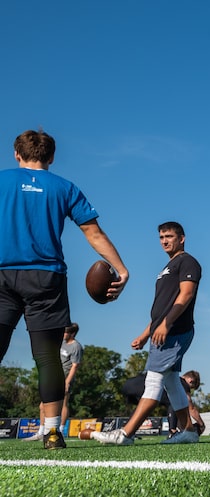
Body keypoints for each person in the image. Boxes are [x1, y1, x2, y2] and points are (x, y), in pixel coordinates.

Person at [0, 130, 128, 450]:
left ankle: (50, 429)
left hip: (3, 275)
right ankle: (53, 432)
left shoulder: (2, 181)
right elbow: (93, 232)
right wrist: (121, 269)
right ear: (51, 157)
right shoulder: (65, 187)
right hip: (47, 279)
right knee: (47, 359)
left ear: (17, 154)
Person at [93, 221, 201, 446]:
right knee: (171, 382)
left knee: (153, 383)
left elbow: (186, 295)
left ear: (182, 238)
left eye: (169, 236)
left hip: (174, 331)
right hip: (163, 331)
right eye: (161, 237)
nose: (164, 241)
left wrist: (166, 324)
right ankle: (189, 431)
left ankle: (125, 434)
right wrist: (145, 334)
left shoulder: (187, 261)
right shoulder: (165, 268)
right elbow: (161, 309)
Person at [24, 322, 84, 441]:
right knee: (43, 405)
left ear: (72, 333)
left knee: (63, 404)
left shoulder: (76, 347)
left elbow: (75, 365)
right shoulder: (61, 342)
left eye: (66, 332)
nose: (63, 334)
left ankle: (59, 430)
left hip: (66, 376)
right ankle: (41, 431)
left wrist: (67, 382)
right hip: (54, 375)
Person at [121, 369, 206, 437]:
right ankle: (172, 432)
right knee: (174, 400)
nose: (189, 390)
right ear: (190, 380)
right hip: (141, 386)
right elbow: (191, 407)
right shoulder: (181, 383)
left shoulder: (171, 378)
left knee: (143, 408)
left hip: (128, 385)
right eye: (191, 388)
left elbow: (179, 414)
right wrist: (201, 424)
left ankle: (126, 431)